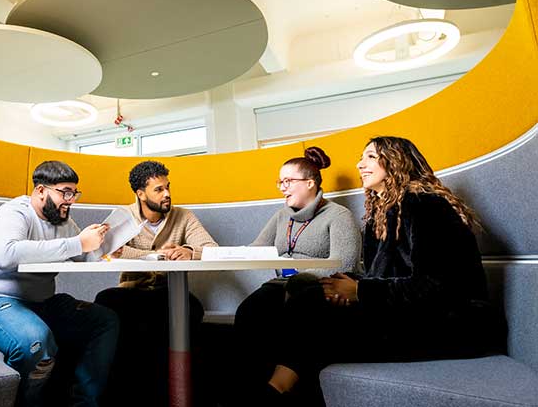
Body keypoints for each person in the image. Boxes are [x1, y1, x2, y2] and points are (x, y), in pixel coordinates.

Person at [254, 137, 504, 406]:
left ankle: (277, 391)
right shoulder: (380, 214)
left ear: (397, 161)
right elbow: (382, 276)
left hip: (455, 321)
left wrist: (360, 290)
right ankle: (280, 388)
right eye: (361, 157)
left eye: (371, 157)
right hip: (404, 308)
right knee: (308, 292)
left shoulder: (427, 206)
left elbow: (440, 285)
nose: (360, 164)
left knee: (311, 309)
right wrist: (346, 287)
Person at [0, 161, 119, 407]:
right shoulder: (14, 212)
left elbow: (83, 253)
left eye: (74, 193)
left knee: (104, 320)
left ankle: (84, 403)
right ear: (41, 190)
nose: (71, 200)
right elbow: (6, 254)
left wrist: (104, 243)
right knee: (35, 340)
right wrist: (78, 243)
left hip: (38, 304)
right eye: (65, 193)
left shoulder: (62, 221)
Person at [231, 146, 362, 404]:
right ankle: (249, 391)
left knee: (289, 310)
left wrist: (299, 272)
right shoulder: (282, 216)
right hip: (280, 285)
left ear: (310, 183)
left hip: (316, 288)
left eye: (288, 181)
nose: (282, 187)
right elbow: (256, 250)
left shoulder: (339, 215)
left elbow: (345, 263)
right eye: (280, 182)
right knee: (248, 312)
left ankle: (281, 390)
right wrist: (203, 252)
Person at [93, 160, 217, 407]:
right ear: (140, 194)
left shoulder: (183, 216)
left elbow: (211, 248)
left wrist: (188, 251)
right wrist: (160, 254)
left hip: (168, 291)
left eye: (168, 187)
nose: (167, 194)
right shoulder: (123, 217)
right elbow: (110, 251)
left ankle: (179, 395)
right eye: (159, 190)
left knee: (192, 309)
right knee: (106, 304)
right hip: (130, 292)